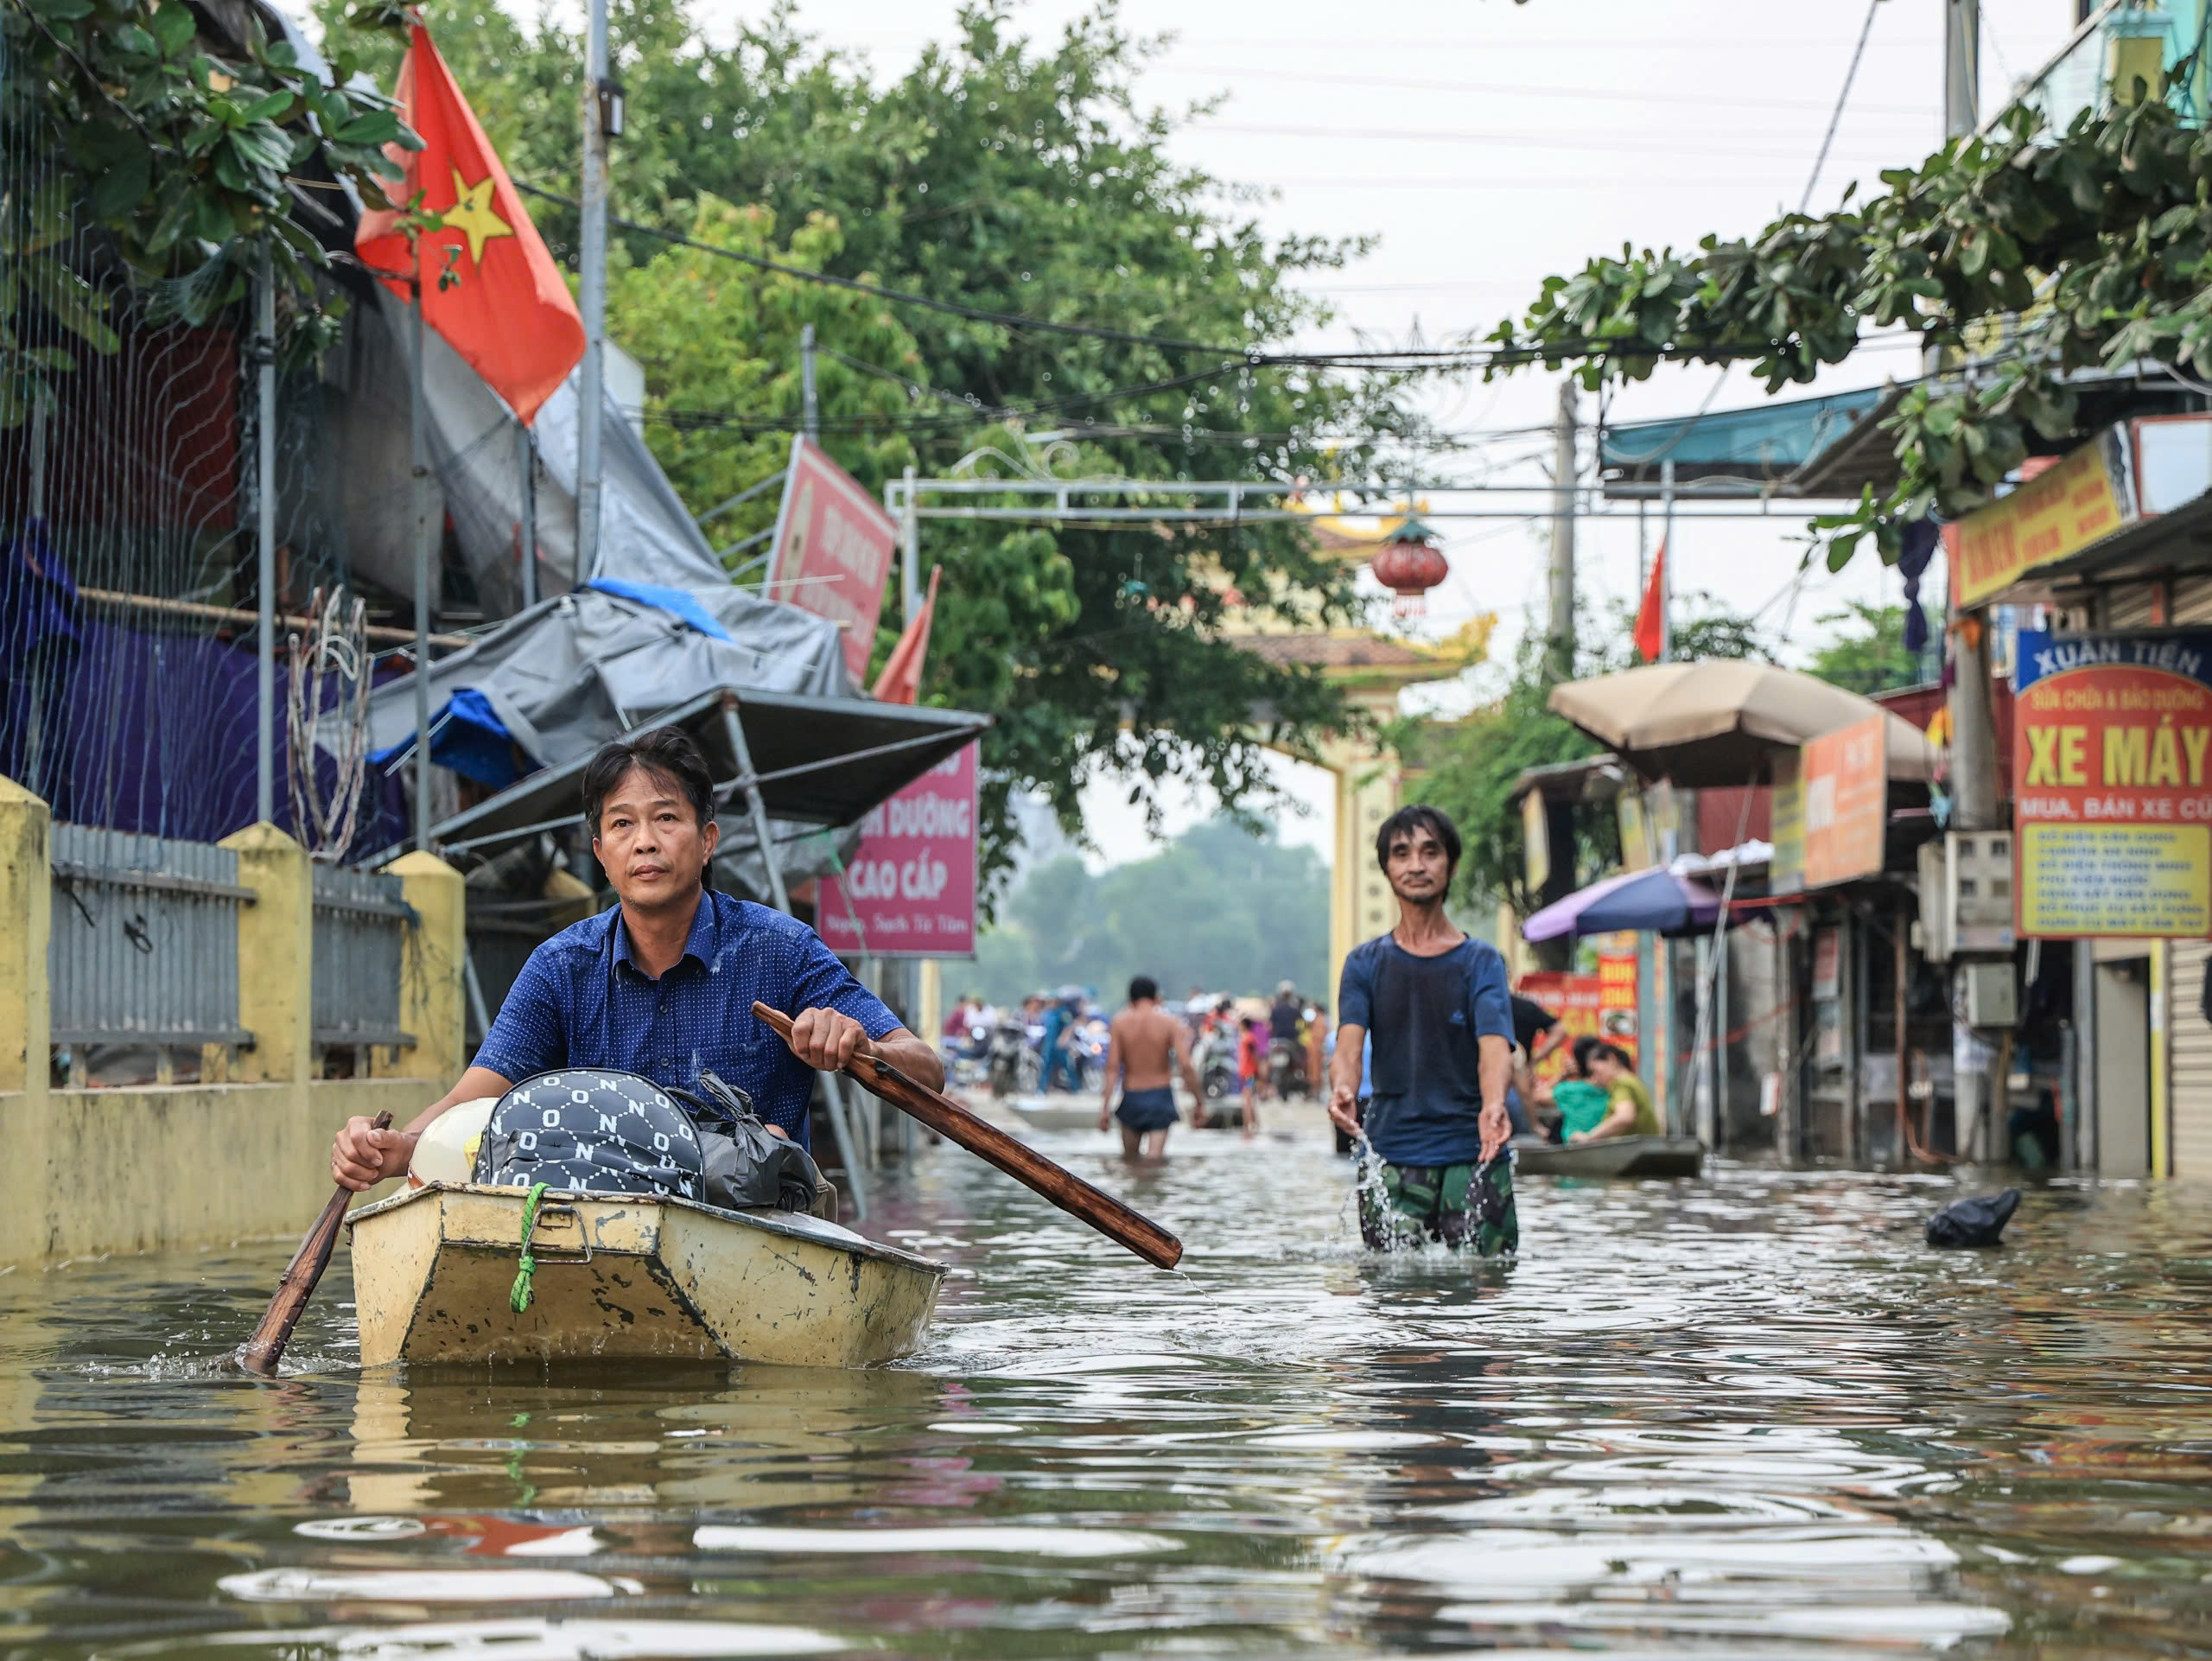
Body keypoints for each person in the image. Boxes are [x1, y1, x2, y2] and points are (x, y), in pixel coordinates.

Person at [329, 726, 944, 1191]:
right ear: (601, 852)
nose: (645, 842)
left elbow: (927, 1071)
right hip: (599, 1232)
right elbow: (470, 1102)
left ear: (707, 840)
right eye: (622, 825)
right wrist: (399, 1148)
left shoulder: (780, 949)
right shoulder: (561, 967)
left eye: (666, 818)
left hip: (759, 1226)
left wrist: (862, 1045)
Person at [1329, 804, 1517, 1256]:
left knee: (1489, 1283)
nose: (1416, 865)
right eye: (1402, 853)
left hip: (1476, 1150)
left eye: (1430, 852)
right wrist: (1342, 1089)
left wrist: (1494, 1104)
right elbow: (1349, 1047)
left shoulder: (1482, 961)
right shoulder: (1364, 963)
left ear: (1451, 865)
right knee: (1389, 1288)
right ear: (1387, 869)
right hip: (1391, 1154)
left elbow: (1494, 1046)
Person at [1099, 975, 1202, 1157]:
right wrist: (1199, 1102)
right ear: (1156, 998)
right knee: (1155, 1159)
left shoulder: (1120, 1023)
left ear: (1131, 999)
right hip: (1160, 1097)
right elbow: (1186, 1065)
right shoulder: (1169, 1023)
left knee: (1130, 1160)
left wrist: (1105, 1108)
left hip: (1131, 1097)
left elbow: (1112, 1068)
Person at [1575, 1042, 1659, 1142]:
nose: (1595, 1079)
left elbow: (1624, 1117)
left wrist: (1589, 1137)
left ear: (1611, 1059)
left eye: (1594, 1071)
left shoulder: (1621, 1084)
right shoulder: (1633, 1082)